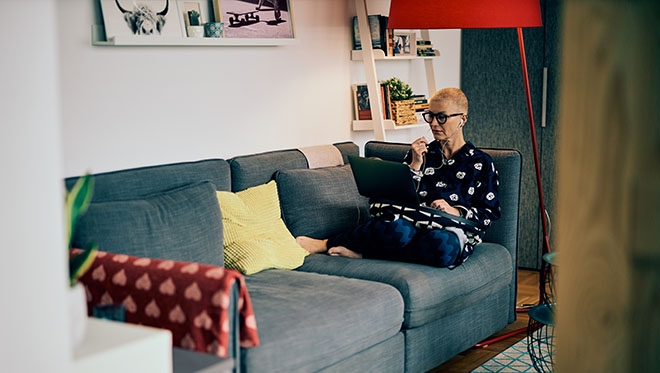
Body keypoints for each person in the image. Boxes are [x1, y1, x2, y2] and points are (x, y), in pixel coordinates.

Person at [297, 87, 501, 268]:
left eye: (442, 117)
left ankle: (366, 254)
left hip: (451, 228)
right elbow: (396, 197)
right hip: (412, 223)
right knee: (395, 229)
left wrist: (454, 210)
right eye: (430, 116)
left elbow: (488, 214)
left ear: (462, 119)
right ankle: (326, 243)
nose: (434, 124)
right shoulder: (420, 153)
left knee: (442, 245)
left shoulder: (482, 163)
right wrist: (414, 166)